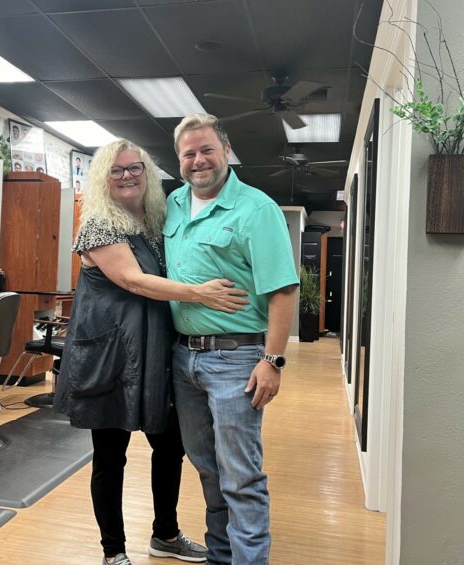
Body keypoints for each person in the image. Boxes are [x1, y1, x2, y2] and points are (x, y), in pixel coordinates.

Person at [54, 138, 249, 565]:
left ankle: (165, 534)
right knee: (110, 456)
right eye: (117, 170)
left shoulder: (160, 222)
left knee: (170, 446)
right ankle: (113, 552)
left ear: (148, 174)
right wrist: (201, 295)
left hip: (159, 352)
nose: (127, 176)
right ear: (104, 179)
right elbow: (134, 281)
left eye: (134, 168)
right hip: (112, 356)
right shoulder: (100, 226)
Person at [164, 114, 299, 564]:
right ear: (179, 160)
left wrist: (272, 360)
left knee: (240, 476)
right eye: (189, 153)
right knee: (207, 470)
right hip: (184, 360)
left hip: (236, 360)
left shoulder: (256, 209)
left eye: (207, 150)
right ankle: (221, 557)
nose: (198, 161)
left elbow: (283, 289)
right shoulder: (174, 205)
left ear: (226, 152)